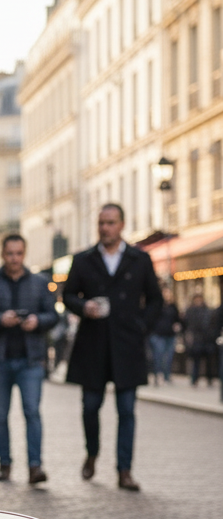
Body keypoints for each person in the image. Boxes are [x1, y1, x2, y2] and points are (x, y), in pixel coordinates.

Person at [63, 203, 162, 491]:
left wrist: (141, 326)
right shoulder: (83, 259)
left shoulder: (139, 259)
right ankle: (92, 452)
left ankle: (124, 470)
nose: (105, 228)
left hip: (127, 346)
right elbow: (68, 295)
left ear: (122, 225)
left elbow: (155, 299)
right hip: (92, 345)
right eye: (101, 223)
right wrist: (84, 306)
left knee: (127, 411)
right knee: (90, 407)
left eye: (110, 222)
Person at [0, 234, 58, 484]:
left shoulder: (39, 283)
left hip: (31, 360)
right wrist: (0, 319)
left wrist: (37, 321)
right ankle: (5, 464)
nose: (14, 259)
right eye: (10, 254)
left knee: (32, 412)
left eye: (19, 253)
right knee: (0, 415)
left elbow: (53, 316)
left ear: (24, 253)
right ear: (2, 254)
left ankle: (35, 467)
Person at [148, 286, 181, 384]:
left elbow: (178, 319)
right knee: (159, 355)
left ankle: (167, 375)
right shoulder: (157, 306)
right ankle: (157, 375)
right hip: (158, 334)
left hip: (170, 334)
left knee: (169, 357)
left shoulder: (173, 307)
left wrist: (177, 325)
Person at [183, 291, 214, 386]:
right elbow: (186, 324)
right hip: (196, 339)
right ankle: (194, 379)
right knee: (196, 361)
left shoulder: (207, 311)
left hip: (207, 339)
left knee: (209, 361)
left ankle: (209, 378)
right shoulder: (190, 311)